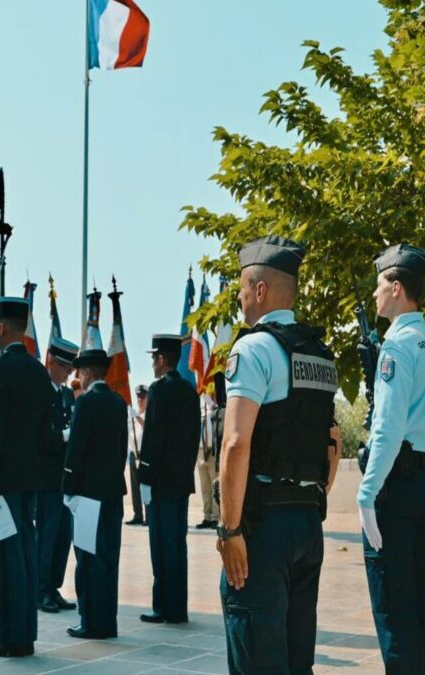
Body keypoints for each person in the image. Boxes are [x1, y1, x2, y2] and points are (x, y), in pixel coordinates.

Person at [217, 235, 341, 673]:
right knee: (295, 660)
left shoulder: (253, 349)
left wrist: (230, 530)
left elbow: (235, 443)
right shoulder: (321, 356)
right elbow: (333, 445)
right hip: (307, 522)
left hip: (263, 527)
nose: (240, 296)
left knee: (256, 654)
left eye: (242, 287)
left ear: (261, 290)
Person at [356, 244, 425, 674]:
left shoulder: (397, 346)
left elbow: (387, 428)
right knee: (417, 605)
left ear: (396, 286)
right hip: (421, 482)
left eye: (379, 286)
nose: (375, 295)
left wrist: (367, 492)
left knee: (394, 610)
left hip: (394, 487)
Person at [0, 297, 55, 658]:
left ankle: (9, 637)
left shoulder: (0, 368)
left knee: (6, 561)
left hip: (5, 481)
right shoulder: (39, 372)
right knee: (25, 555)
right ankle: (25, 634)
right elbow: (44, 434)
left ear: (4, 326)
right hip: (30, 480)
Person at [62, 345, 129, 639]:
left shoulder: (86, 403)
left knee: (88, 559)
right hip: (113, 492)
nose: (79, 376)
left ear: (88, 372)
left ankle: (90, 621)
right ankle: (108, 621)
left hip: (88, 495)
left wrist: (68, 490)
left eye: (80, 371)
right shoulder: (117, 403)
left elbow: (75, 452)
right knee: (109, 559)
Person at [137, 334, 201, 623]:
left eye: (153, 358)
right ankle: (178, 608)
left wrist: (145, 477)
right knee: (178, 543)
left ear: (162, 359)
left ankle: (162, 606)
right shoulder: (190, 391)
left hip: (161, 481)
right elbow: (194, 438)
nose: (152, 363)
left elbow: (152, 438)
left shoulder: (159, 391)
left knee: (161, 546)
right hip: (181, 480)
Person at [35, 337, 79, 614]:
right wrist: (65, 435)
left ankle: (54, 586)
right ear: (51, 362)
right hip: (46, 477)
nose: (68, 374)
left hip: (64, 478)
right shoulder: (41, 393)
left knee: (63, 536)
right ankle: (40, 590)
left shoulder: (65, 394)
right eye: (64, 368)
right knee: (47, 535)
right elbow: (40, 438)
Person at [195, 391, 221, 529]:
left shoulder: (216, 406)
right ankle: (207, 515)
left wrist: (213, 405)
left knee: (214, 484)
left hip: (213, 449)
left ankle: (216, 517)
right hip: (200, 450)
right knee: (205, 486)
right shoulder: (200, 406)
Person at [126, 384, 148, 525]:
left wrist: (137, 418)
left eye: (142, 397)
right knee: (135, 488)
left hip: (145, 454)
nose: (139, 400)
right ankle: (137, 515)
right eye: (138, 397)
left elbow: (149, 427)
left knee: (145, 487)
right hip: (134, 454)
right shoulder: (132, 416)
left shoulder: (148, 414)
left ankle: (149, 516)